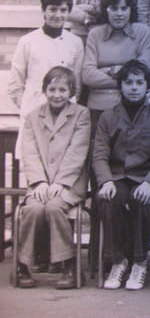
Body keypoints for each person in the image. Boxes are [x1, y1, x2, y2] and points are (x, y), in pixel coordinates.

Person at [92, 60, 150, 291]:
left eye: (139, 82)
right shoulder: (108, 116)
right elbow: (99, 154)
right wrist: (106, 181)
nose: (134, 87)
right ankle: (118, 261)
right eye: (128, 82)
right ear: (121, 86)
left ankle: (139, 262)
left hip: (144, 178)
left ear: (147, 86)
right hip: (117, 177)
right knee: (109, 199)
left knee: (142, 200)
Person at [16, 67, 90, 289]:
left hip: (69, 183)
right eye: (52, 89)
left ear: (71, 92)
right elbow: (30, 152)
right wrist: (39, 182)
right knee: (33, 209)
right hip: (40, 184)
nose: (57, 94)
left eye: (63, 90)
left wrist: (60, 182)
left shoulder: (81, 114)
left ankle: (68, 264)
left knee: (54, 207)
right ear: (45, 90)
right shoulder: (33, 117)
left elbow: (77, 151)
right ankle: (23, 264)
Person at [9, 0, 84, 157]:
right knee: (33, 165)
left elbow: (76, 85)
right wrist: (31, 108)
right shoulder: (27, 41)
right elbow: (15, 86)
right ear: (44, 10)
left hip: (64, 118)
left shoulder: (75, 43)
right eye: (53, 9)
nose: (58, 15)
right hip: (34, 116)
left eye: (63, 10)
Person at [82, 0, 150, 134]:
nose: (119, 14)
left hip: (132, 107)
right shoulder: (95, 34)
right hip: (98, 107)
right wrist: (123, 76)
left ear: (130, 10)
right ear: (106, 10)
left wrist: (104, 71)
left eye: (124, 8)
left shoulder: (142, 32)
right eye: (114, 8)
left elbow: (144, 72)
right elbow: (88, 75)